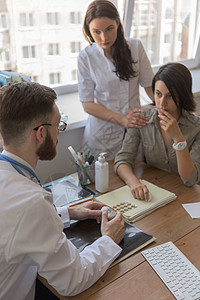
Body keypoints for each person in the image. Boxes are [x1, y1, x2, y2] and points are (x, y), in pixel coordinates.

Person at [0, 81, 125, 300]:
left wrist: (67, 213)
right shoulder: (31, 203)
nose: (59, 133)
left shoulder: (11, 176)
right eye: (58, 126)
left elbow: (15, 225)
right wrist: (109, 239)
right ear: (40, 133)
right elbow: (73, 280)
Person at [78, 0, 154, 160]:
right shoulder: (86, 57)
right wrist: (123, 120)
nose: (104, 37)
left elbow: (151, 87)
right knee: (104, 181)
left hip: (134, 131)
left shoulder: (135, 47)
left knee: (136, 178)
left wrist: (175, 108)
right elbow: (87, 105)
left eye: (109, 29)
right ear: (89, 30)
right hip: (102, 135)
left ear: (118, 23)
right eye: (96, 32)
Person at [114, 62, 200, 201]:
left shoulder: (197, 128)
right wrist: (134, 183)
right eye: (158, 94)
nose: (162, 103)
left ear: (182, 95)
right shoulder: (142, 119)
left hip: (187, 198)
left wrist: (178, 139)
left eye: (170, 96)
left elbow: (190, 180)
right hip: (155, 194)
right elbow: (122, 160)